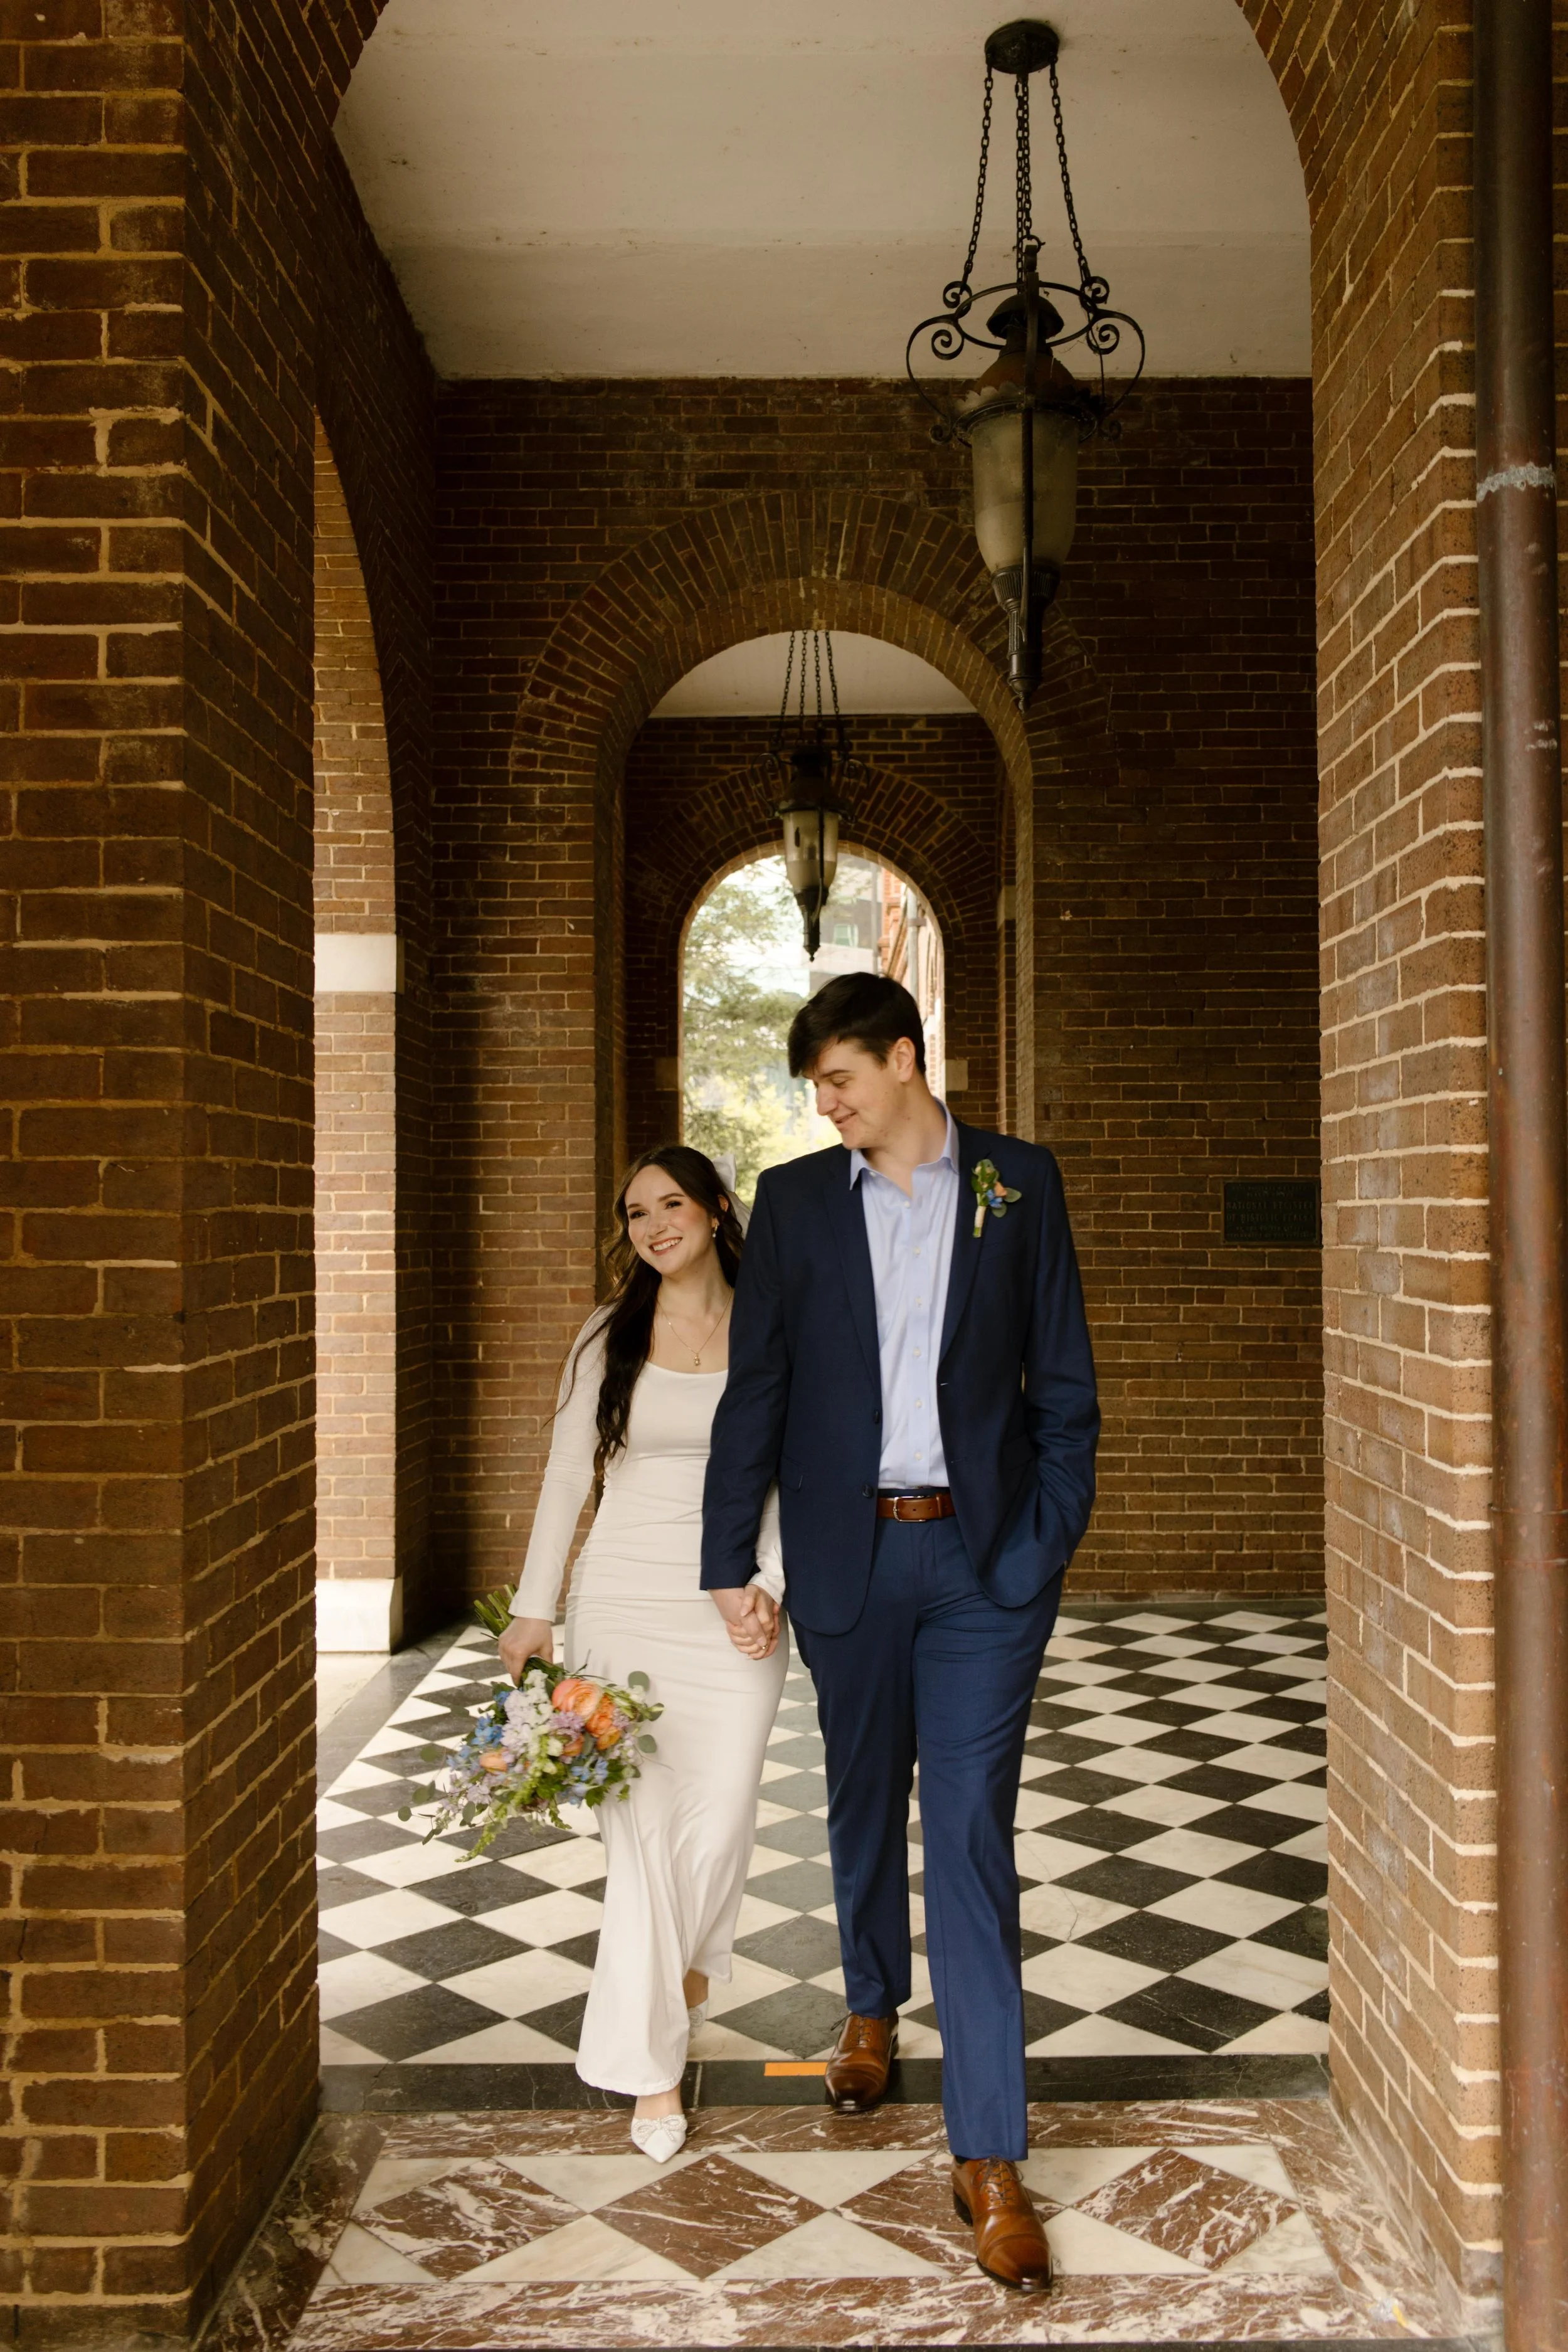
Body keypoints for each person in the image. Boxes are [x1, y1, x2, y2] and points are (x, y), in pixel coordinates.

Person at [702, 974, 1099, 2294]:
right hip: (846, 1557)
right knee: (861, 1793)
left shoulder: (1018, 1186)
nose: (823, 1105)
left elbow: (1065, 1389)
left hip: (984, 1567)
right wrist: (726, 1556)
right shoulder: (801, 1203)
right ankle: (869, 2003)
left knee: (972, 1835)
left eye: (839, 1080)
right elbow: (757, 1385)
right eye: (814, 1087)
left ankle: (987, 2156)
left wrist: (1036, 1549)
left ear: (906, 1059)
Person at [500, 1145, 787, 2163]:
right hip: (621, 1599)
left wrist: (772, 1584)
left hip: (736, 1602)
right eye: (635, 1213)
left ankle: (687, 1971)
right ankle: (651, 2070)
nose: (655, 1224)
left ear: (715, 1206)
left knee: (719, 1818)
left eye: (672, 1203)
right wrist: (535, 1610)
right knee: (643, 1831)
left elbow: (799, 1468)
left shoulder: (774, 1315)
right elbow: (565, 1475)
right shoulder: (605, 1335)